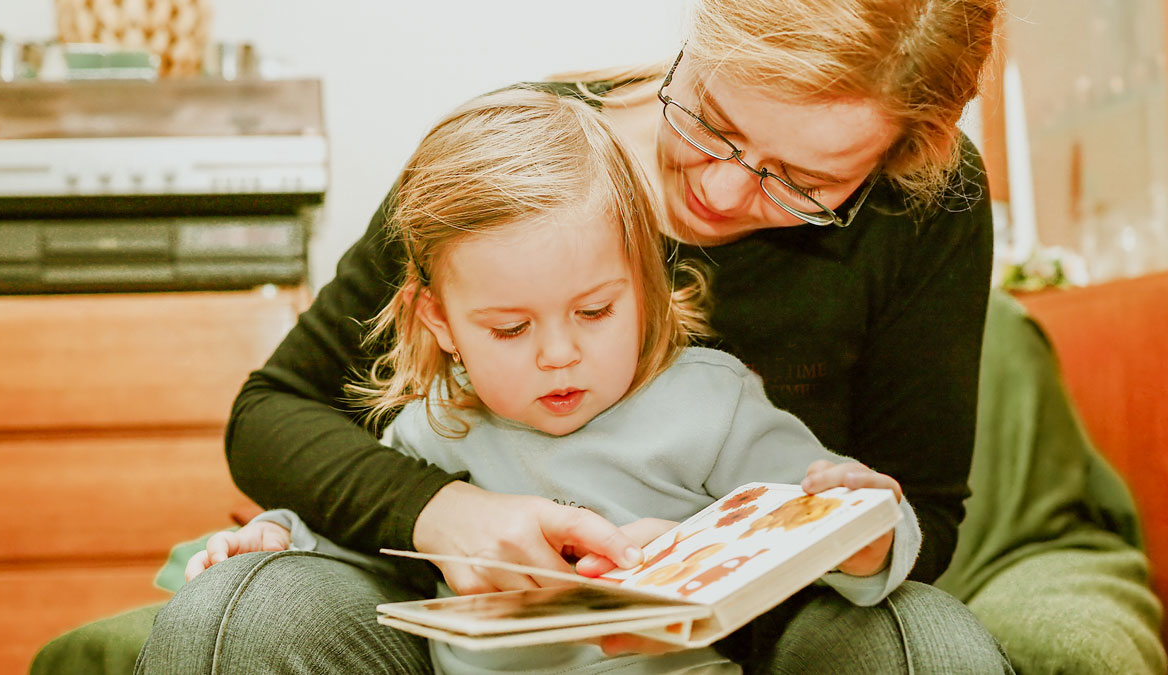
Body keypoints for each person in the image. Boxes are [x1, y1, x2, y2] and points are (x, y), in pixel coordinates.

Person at [136, 0, 1012, 672]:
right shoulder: (510, 168)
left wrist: (850, 525)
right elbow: (276, 413)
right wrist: (449, 516)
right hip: (466, 626)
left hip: (748, 636)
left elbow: (916, 514)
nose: (720, 188)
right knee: (247, 610)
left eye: (804, 182)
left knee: (927, 642)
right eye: (711, 119)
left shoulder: (915, 222)